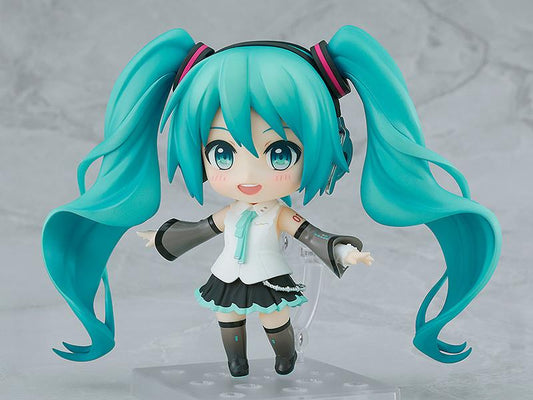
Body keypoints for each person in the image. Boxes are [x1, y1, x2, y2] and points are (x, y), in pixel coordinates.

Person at [41, 26, 501, 375]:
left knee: (275, 318)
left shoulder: (279, 212)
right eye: (222, 153)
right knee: (227, 318)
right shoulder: (231, 211)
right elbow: (204, 229)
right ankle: (236, 363)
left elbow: (310, 235)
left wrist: (344, 251)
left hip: (269, 275)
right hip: (228, 274)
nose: (246, 176)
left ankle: (285, 358)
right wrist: (162, 237)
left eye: (280, 153)